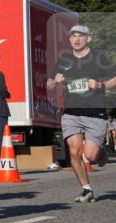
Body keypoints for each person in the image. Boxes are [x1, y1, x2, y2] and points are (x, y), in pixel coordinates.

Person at [46, 25, 115, 203]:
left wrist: (100, 85)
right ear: (70, 40)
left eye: (81, 36)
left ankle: (100, 153)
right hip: (71, 112)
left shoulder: (98, 58)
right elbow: (48, 85)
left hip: (94, 112)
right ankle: (86, 189)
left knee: (90, 156)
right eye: (73, 36)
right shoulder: (64, 60)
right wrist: (55, 81)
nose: (77, 39)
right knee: (75, 152)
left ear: (88, 39)